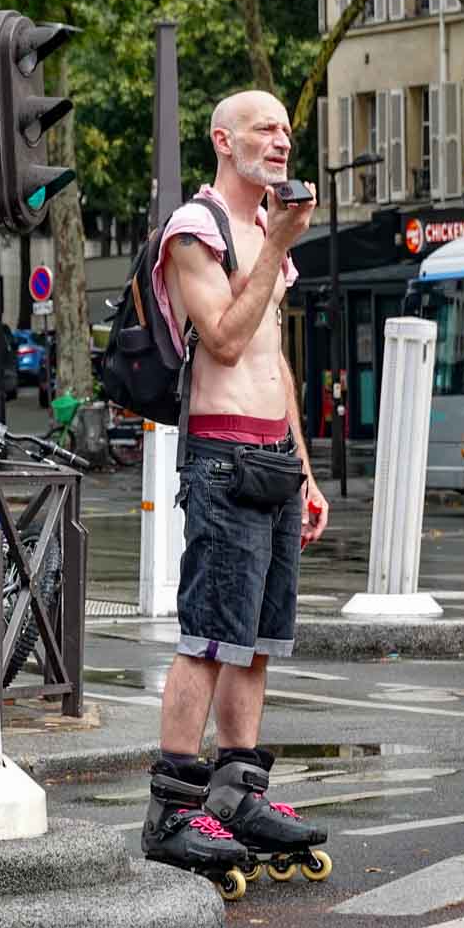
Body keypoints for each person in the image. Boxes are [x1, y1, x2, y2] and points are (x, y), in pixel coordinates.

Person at [139, 90, 329, 884]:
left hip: (272, 459)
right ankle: (172, 810)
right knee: (210, 636)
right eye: (263, 129)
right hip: (220, 458)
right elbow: (221, 340)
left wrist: (304, 468)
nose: (280, 141)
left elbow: (271, 357)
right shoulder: (197, 228)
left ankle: (239, 791)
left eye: (285, 130)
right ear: (224, 139)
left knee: (256, 640)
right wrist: (276, 241)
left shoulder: (262, 232)